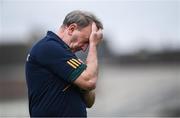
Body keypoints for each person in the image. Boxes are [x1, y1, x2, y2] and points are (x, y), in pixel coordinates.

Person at [25, 10, 103, 117]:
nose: (85, 48)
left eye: (89, 44)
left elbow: (89, 102)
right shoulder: (49, 47)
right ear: (71, 29)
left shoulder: (64, 54)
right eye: (86, 41)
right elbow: (90, 82)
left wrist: (82, 85)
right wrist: (94, 45)